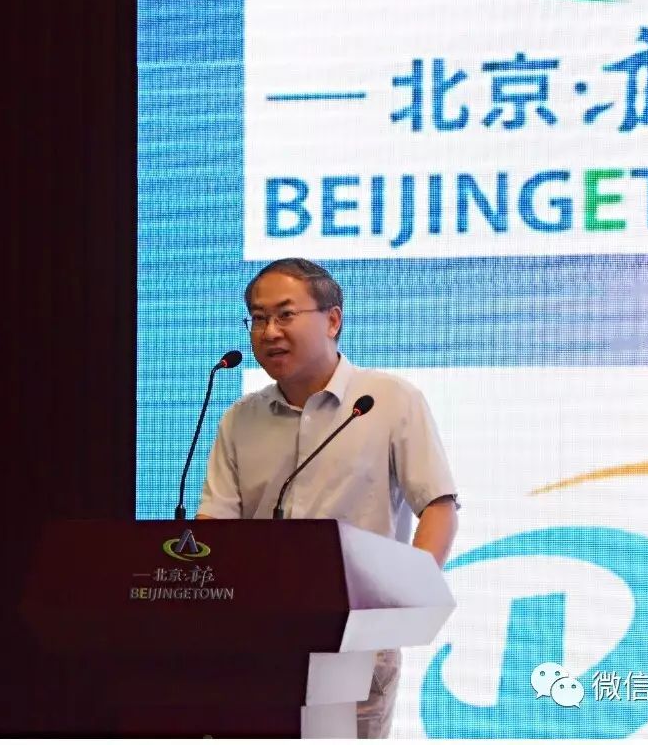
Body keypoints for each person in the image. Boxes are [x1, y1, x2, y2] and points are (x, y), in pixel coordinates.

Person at [196, 257, 459, 738]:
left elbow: (438, 507)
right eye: (258, 318)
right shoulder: (240, 419)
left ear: (333, 320)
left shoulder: (387, 401)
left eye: (285, 314)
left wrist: (404, 598)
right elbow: (214, 526)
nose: (270, 331)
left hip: (356, 641)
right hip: (256, 643)